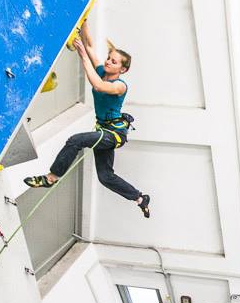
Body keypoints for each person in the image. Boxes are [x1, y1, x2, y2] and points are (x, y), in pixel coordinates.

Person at [24, 21, 150, 217]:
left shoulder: (120, 86)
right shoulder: (102, 70)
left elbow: (99, 86)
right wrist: (84, 20)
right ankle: (140, 198)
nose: (108, 62)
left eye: (114, 62)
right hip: (104, 130)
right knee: (105, 177)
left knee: (76, 141)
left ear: (123, 70)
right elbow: (89, 45)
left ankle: (51, 177)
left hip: (113, 134)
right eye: (109, 58)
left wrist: (82, 55)